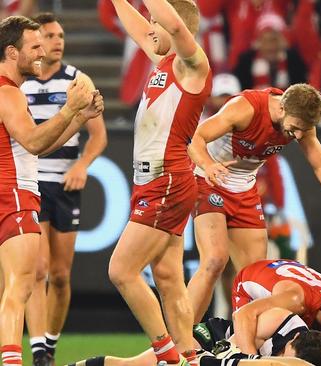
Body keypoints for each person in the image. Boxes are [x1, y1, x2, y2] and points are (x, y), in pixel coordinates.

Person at [186, 83, 321, 323]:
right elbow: (196, 137)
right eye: (295, 128)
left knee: (256, 277)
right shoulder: (244, 108)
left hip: (245, 189)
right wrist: (208, 164)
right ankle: (182, 340)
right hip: (208, 180)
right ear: (283, 107)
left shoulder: (302, 123)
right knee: (215, 260)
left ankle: (243, 344)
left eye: (303, 130)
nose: (298, 135)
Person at [106, 0, 212, 364]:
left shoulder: (192, 65)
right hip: (158, 180)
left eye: (156, 22)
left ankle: (167, 355)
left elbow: (176, 28)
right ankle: (189, 355)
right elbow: (140, 28)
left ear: (176, 25)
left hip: (166, 179)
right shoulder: (164, 63)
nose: (149, 29)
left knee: (121, 271)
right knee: (167, 277)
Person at [0, 15, 101, 366]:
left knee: (19, 284)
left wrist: (78, 118)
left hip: (14, 192)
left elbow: (38, 145)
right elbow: (33, 142)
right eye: (34, 46)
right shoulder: (9, 93)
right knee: (21, 285)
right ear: (12, 53)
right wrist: (71, 109)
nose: (42, 52)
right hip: (15, 194)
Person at [65, 307, 321, 366]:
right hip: (215, 336)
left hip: (223, 358)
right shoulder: (284, 320)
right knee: (138, 364)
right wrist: (247, 356)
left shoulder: (301, 358)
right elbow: (241, 320)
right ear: (292, 342)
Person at [228, 259, 321, 362]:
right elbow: (242, 315)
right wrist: (251, 361)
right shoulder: (295, 302)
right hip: (249, 283)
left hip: (290, 279)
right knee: (252, 347)